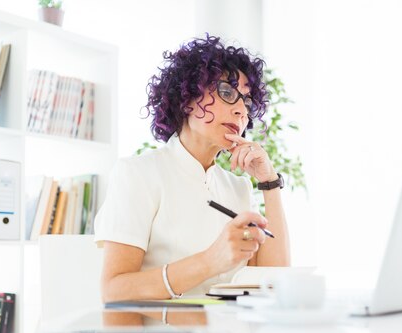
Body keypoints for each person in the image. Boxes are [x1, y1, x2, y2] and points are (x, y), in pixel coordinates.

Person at [94, 34, 290, 302]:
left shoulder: (239, 188)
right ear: (186, 98)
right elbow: (113, 290)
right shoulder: (138, 174)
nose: (240, 112)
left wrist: (269, 182)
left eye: (246, 101)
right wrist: (211, 261)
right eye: (227, 92)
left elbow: (274, 282)